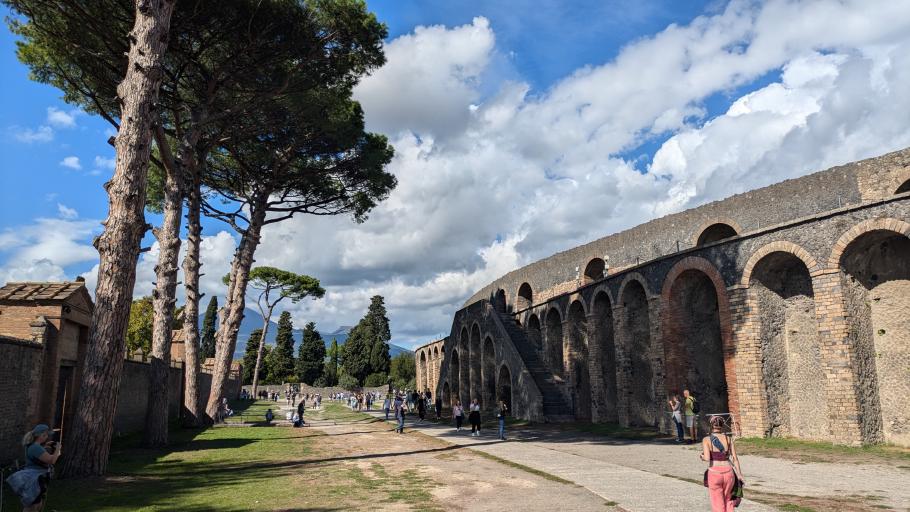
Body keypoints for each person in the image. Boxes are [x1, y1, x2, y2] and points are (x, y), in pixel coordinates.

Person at [7, 424, 60, 512]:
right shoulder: (35, 448)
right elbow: (52, 460)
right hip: (35, 479)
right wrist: (58, 448)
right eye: (46, 435)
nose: (47, 437)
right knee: (33, 505)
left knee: (37, 503)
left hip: (37, 478)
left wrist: (47, 447)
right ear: (41, 435)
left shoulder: (34, 446)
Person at [700, 416, 744, 512]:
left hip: (714, 472)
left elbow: (707, 458)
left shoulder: (706, 440)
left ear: (711, 426)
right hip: (728, 472)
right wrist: (739, 474)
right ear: (722, 425)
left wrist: (701, 457)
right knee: (729, 500)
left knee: (717, 503)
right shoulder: (728, 439)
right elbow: (735, 458)